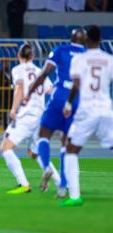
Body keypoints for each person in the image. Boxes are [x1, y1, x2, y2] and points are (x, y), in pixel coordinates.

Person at [24, 28, 87, 197]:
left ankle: (46, 167)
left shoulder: (60, 50)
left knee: (43, 134)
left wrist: (30, 92)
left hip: (58, 97)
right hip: (76, 101)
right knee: (66, 143)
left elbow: (45, 73)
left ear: (71, 38)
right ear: (85, 40)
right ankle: (63, 186)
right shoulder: (87, 55)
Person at [62, 26, 113, 206]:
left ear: (86, 40)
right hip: (106, 109)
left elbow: (76, 84)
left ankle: (75, 196)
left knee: (71, 150)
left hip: (87, 110)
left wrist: (68, 104)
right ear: (101, 39)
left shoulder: (79, 59)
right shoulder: (109, 59)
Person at [0, 44, 61, 194]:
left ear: (19, 56)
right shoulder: (40, 71)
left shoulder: (18, 70)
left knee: (5, 148)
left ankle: (23, 184)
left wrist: (13, 109)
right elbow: (51, 90)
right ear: (32, 57)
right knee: (34, 153)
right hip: (40, 117)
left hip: (25, 116)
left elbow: (20, 88)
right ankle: (60, 182)